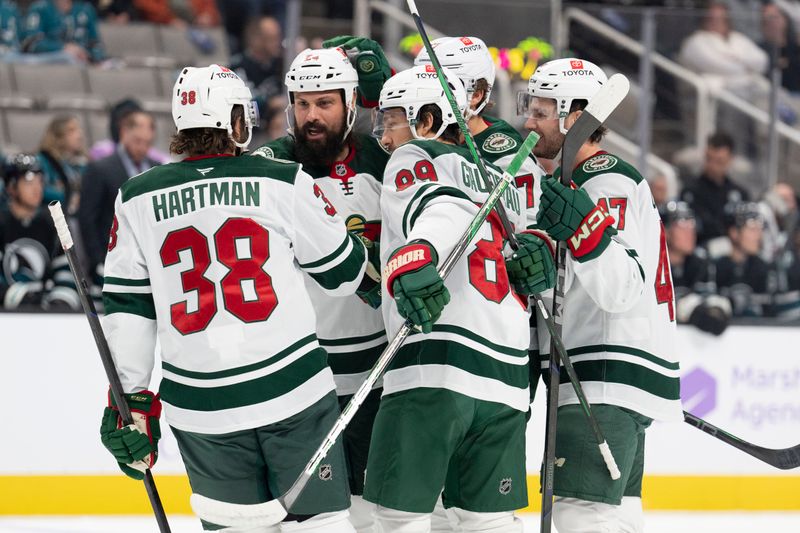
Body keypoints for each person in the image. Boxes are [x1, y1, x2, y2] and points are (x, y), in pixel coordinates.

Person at [97, 64, 369, 532]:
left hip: (202, 408)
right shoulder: (282, 180)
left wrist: (132, 400)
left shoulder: (135, 197)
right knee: (321, 524)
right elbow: (343, 274)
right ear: (235, 121)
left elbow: (128, 308)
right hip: (294, 394)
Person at [363, 64, 553, 533]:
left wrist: (416, 252)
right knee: (487, 523)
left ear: (426, 121)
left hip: (437, 363)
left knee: (397, 519)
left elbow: (440, 208)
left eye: (391, 121)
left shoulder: (414, 156)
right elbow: (530, 263)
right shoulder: (498, 184)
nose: (384, 136)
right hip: (507, 377)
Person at [519, 57, 683, 533]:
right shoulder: (578, 181)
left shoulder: (603, 179)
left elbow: (620, 285)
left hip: (603, 374)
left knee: (581, 517)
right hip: (610, 375)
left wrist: (583, 229)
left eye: (542, 111)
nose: (530, 121)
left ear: (576, 117)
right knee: (615, 517)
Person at [251, 44, 391, 533]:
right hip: (301, 376)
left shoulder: (383, 161)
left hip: (377, 369)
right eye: (302, 103)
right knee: (307, 516)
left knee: (372, 514)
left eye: (324, 103)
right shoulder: (270, 168)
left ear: (351, 103)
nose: (311, 116)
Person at [79, 108, 158, 280]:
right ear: (123, 133)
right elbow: (88, 219)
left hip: (151, 261)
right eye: (138, 141)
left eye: (147, 143)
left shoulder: (158, 169)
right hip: (113, 260)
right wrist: (98, 261)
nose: (143, 148)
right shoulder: (99, 169)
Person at [0, 153, 80, 311]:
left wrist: (60, 301)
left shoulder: (52, 223)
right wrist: (19, 296)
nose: (37, 188)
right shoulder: (2, 223)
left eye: (40, 181)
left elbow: (66, 270)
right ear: (11, 186)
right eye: (29, 181)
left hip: (44, 313)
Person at [661, 200, 731, 336]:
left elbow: (709, 300)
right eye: (682, 225)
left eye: (692, 224)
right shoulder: (652, 263)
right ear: (665, 231)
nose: (690, 232)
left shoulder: (700, 262)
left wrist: (716, 310)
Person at [680, 132, 750, 245]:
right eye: (709, 159)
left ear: (730, 160)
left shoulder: (740, 193)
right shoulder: (691, 191)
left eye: (719, 162)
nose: (712, 166)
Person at [714, 201, 774, 317]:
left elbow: (770, 313)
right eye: (752, 229)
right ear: (734, 233)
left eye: (760, 229)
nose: (759, 235)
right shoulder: (715, 268)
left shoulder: (763, 268)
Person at [231, 16, 285, 118]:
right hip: (252, 129)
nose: (278, 43)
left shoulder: (281, 63)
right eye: (272, 38)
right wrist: (270, 104)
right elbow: (239, 107)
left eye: (279, 37)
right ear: (256, 39)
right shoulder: (238, 67)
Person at [21, 0, 105, 64]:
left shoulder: (85, 9)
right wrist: (63, 48)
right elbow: (30, 43)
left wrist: (92, 57)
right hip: (48, 65)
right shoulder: (40, 8)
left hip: (82, 65)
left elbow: (96, 44)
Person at [37, 114, 88, 213]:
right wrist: (68, 196)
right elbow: (39, 190)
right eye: (71, 130)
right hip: (53, 217)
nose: (79, 135)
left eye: (79, 129)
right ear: (58, 136)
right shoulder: (45, 160)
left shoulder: (83, 162)